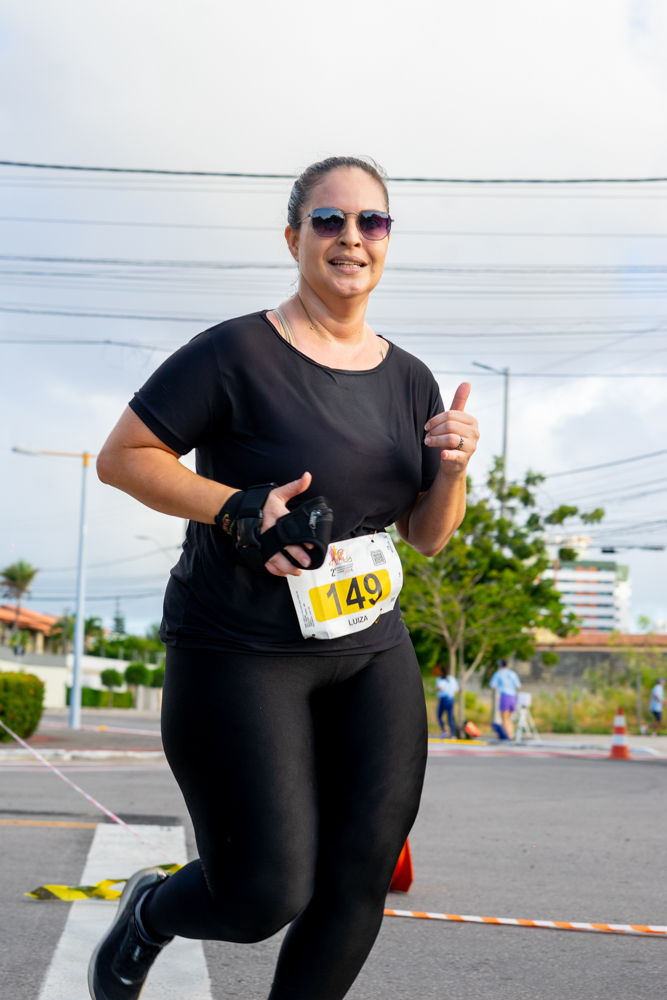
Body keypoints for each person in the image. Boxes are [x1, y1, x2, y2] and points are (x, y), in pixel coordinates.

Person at [89, 155, 479, 1000]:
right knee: (264, 891)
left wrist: (448, 470)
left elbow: (427, 537)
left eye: (370, 222)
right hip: (240, 645)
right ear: (294, 237)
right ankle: (152, 912)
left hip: (366, 645)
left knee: (359, 873)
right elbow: (122, 459)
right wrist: (238, 507)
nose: (351, 239)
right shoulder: (234, 351)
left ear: (386, 240)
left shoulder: (408, 377)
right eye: (329, 221)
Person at [489, 658, 522, 740]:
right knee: (508, 718)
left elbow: (492, 686)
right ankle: (512, 735)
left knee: (504, 718)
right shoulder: (513, 674)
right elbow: (518, 687)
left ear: (500, 665)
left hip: (505, 697)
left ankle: (509, 736)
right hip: (513, 697)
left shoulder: (498, 674)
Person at [436, 666, 459, 738]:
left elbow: (440, 688)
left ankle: (444, 730)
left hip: (443, 699)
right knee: (450, 717)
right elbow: (456, 690)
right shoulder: (452, 679)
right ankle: (452, 734)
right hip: (451, 699)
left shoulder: (440, 679)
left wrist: (437, 688)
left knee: (439, 716)